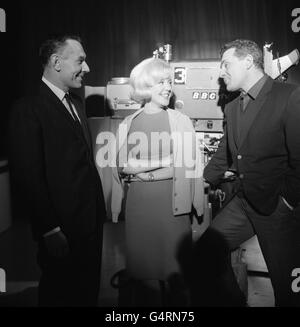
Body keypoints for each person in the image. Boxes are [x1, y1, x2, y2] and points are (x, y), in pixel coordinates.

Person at [8, 35, 106, 306]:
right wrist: (49, 229)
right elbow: (28, 177)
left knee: (87, 293)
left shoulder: (76, 103)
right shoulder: (28, 109)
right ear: (56, 62)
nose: (86, 68)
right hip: (61, 230)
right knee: (60, 295)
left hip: (90, 225)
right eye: (81, 61)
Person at [203, 39, 300, 306]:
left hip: (279, 210)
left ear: (248, 61)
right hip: (244, 204)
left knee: (288, 291)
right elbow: (225, 153)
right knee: (206, 253)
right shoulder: (233, 107)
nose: (220, 73)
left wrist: (287, 202)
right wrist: (200, 181)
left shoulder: (289, 95)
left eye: (226, 64)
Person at [111, 57, 204, 306]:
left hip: (173, 209)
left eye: (169, 81)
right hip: (140, 209)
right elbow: (123, 166)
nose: (168, 87)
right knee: (144, 280)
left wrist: (146, 172)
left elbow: (186, 165)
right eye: (161, 82)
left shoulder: (181, 121)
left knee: (177, 277)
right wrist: (167, 161)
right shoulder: (128, 124)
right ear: (145, 86)